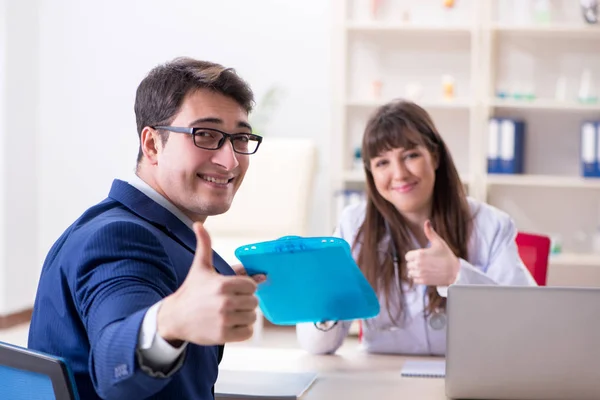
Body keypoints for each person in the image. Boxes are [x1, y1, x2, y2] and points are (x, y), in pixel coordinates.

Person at [28, 57, 266, 400]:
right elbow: (114, 364)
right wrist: (173, 319)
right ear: (152, 144)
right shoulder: (117, 238)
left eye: (240, 138)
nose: (230, 161)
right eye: (207, 135)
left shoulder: (144, 227)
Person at [296, 99, 536, 356]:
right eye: (382, 163)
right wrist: (325, 297)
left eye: (410, 155)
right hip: (384, 379)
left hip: (469, 373)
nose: (399, 174)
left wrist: (457, 274)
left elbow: (528, 324)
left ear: (434, 156)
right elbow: (316, 347)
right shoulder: (354, 226)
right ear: (371, 173)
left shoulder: (491, 224)